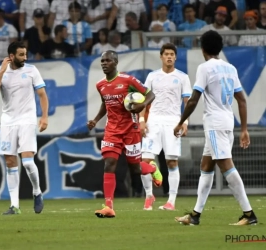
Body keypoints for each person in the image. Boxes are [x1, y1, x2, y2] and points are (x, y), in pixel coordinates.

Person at [173, 30, 258, 226]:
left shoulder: (205, 68)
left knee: (226, 166)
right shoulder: (230, 68)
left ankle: (249, 214)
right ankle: (195, 215)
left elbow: (194, 99)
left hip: (214, 123)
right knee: (206, 166)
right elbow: (242, 100)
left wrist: (180, 121)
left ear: (203, 49)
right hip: (227, 121)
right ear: (219, 48)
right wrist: (244, 128)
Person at [87, 50, 162, 218]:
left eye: (107, 60)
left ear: (115, 62)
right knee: (109, 164)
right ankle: (108, 206)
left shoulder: (128, 80)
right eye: (102, 61)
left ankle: (151, 167)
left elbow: (150, 94)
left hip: (130, 129)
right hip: (112, 130)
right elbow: (105, 104)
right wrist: (95, 119)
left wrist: (141, 106)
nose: (104, 63)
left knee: (135, 169)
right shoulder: (100, 85)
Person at [0, 41, 49, 215]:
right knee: (10, 162)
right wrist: (1, 71)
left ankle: (37, 191)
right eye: (21, 54)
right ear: (11, 56)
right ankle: (15, 206)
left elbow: (43, 95)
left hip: (27, 119)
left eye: (25, 54)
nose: (25, 57)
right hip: (7, 121)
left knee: (28, 162)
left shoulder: (31, 70)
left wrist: (44, 117)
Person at [139, 43, 192, 211]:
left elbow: (187, 102)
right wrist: (141, 120)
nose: (169, 56)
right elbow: (143, 100)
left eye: (172, 54)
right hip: (153, 121)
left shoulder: (183, 77)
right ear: (161, 57)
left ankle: (171, 201)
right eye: (166, 54)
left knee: (171, 162)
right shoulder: (152, 76)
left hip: (173, 122)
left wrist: (185, 122)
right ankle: (149, 195)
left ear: (175, 57)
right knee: (145, 161)